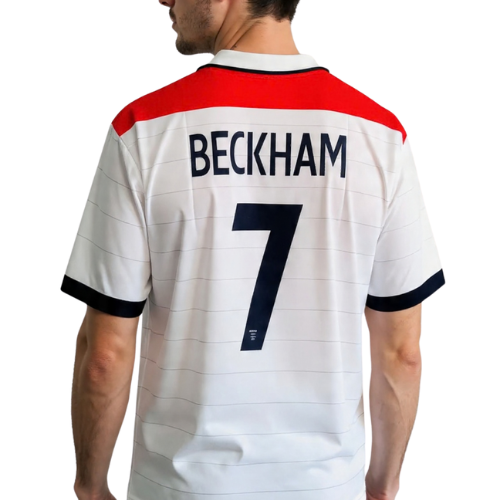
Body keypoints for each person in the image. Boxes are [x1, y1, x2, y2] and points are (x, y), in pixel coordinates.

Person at [61, 1, 445, 500]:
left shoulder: (144, 129)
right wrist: (382, 485)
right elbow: (402, 353)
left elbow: (104, 354)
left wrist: (90, 487)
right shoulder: (379, 135)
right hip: (324, 486)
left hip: (181, 488)